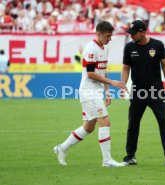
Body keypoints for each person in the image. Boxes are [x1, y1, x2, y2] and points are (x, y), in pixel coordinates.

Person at [54, 21, 127, 167]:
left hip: (96, 91)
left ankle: (61, 148)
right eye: (107, 36)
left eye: (110, 36)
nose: (110, 39)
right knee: (105, 121)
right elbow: (91, 74)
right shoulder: (91, 49)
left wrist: (107, 91)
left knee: (88, 126)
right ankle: (107, 161)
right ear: (98, 33)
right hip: (88, 91)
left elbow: (103, 70)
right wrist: (111, 82)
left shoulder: (104, 47)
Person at [121, 20, 165, 166]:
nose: (131, 36)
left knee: (164, 123)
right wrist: (123, 85)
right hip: (138, 91)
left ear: (142, 32)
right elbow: (125, 68)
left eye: (133, 33)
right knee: (133, 124)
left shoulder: (157, 45)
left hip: (156, 91)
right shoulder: (129, 47)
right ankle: (130, 156)